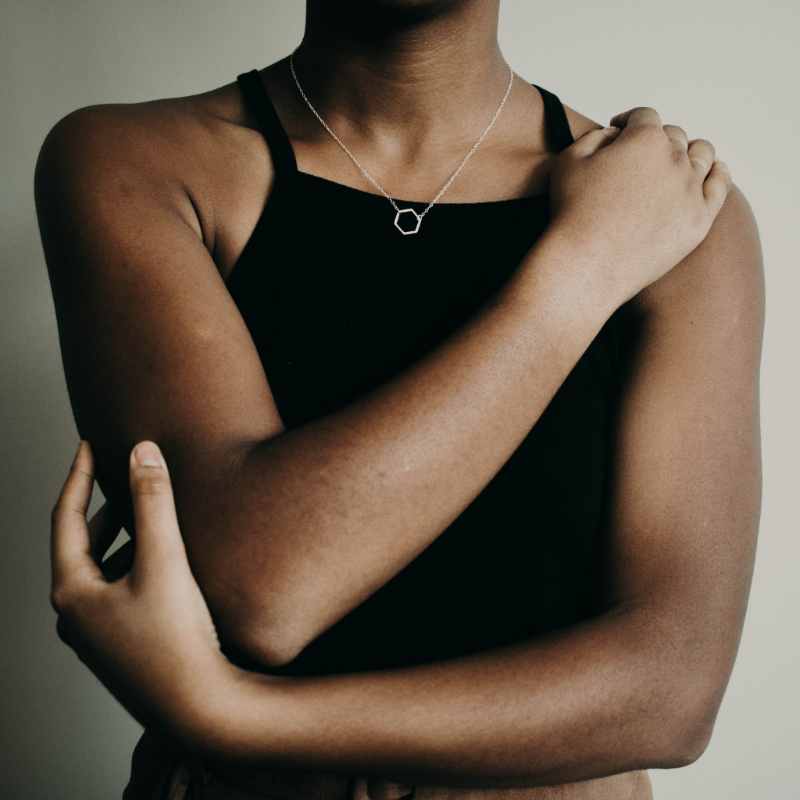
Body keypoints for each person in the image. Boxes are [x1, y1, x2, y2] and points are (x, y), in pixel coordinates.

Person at [38, 0, 764, 798]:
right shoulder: (132, 161)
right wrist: (580, 271)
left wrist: (237, 716)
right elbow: (264, 590)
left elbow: (670, 693)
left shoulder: (682, 216)